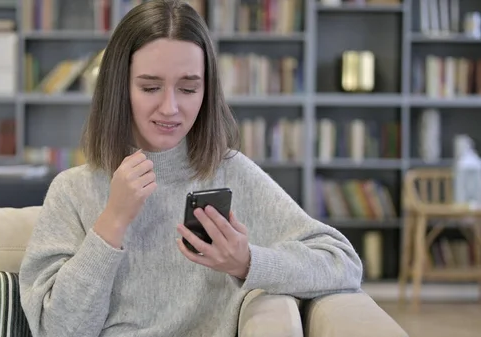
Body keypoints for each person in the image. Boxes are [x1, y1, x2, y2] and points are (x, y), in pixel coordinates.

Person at [18, 1, 363, 336]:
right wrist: (113, 221)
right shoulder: (72, 190)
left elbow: (343, 263)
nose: (170, 107)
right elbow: (57, 330)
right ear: (119, 88)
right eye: (150, 87)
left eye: (188, 88)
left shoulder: (230, 172)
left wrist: (245, 262)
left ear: (206, 91)